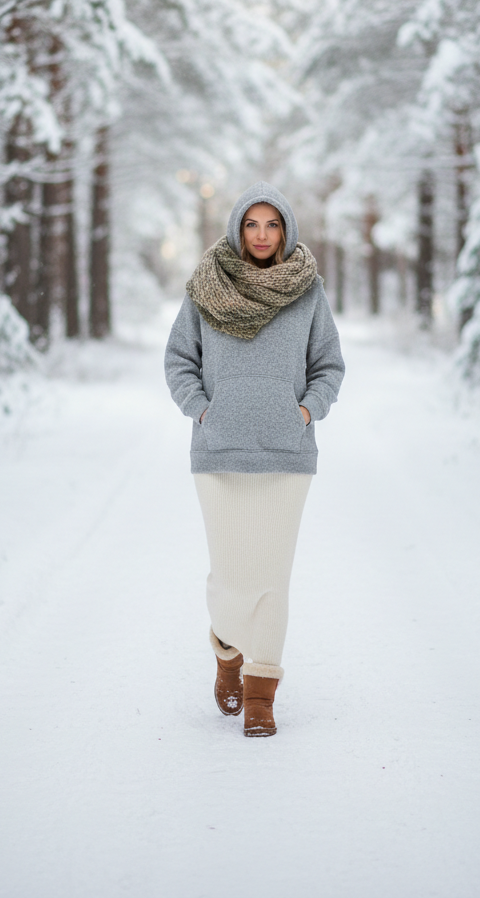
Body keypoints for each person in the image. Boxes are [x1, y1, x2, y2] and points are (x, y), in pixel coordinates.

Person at [164, 181, 345, 737]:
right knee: (230, 575)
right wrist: (201, 410)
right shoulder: (205, 288)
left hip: (287, 451)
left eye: (272, 225)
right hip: (218, 449)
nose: (262, 235)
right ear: (237, 229)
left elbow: (329, 365)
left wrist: (309, 410)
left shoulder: (308, 292)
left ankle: (261, 690)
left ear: (286, 230)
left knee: (272, 574)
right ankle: (227, 650)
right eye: (252, 224)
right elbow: (178, 360)